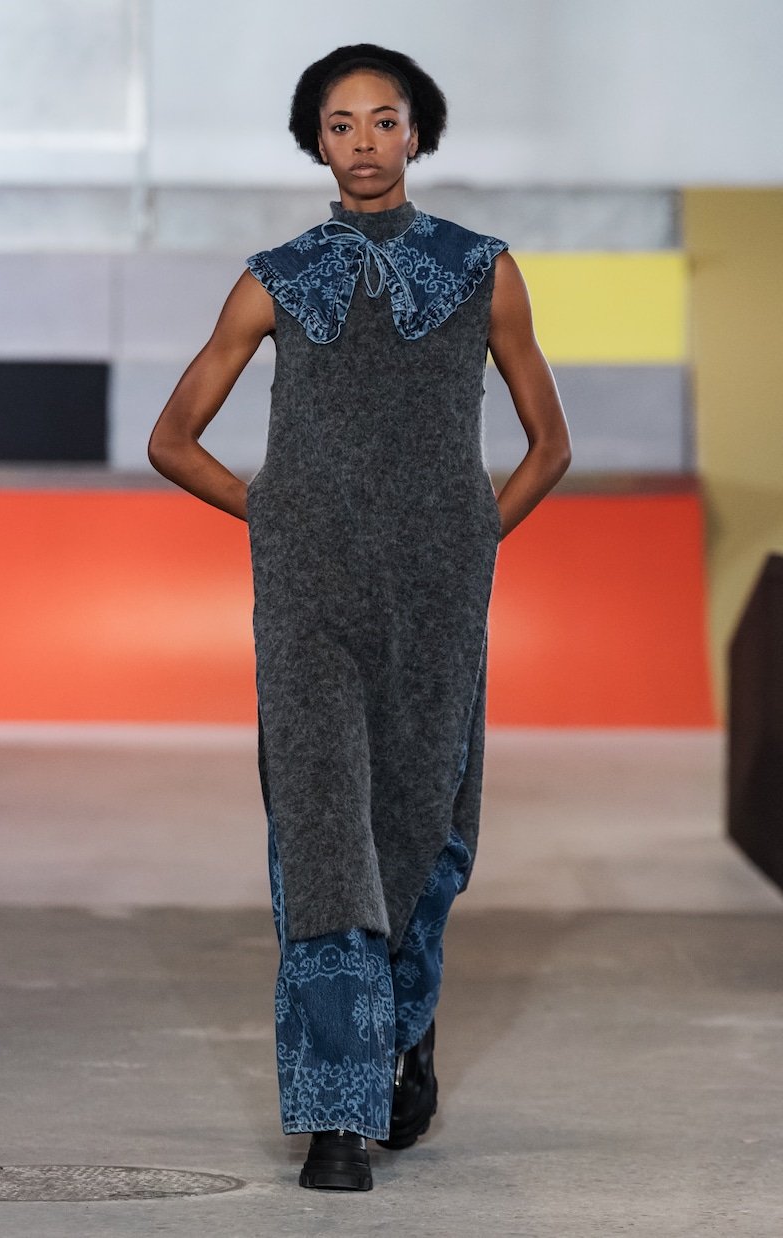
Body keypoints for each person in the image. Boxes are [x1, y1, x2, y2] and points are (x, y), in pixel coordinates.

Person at [148, 43, 571, 1192]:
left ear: (417, 133)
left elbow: (550, 445)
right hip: (309, 598)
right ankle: (339, 1113)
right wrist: (274, 512)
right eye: (343, 124)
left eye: (387, 120)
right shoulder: (275, 278)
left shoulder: (484, 271)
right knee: (326, 836)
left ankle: (404, 1035)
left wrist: (472, 538)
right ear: (317, 143)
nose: (366, 142)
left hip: (438, 595)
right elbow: (172, 438)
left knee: (422, 827)